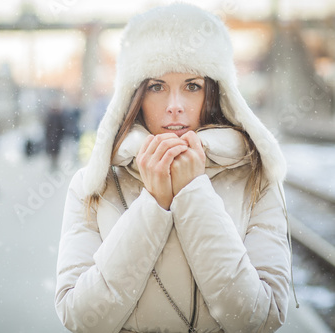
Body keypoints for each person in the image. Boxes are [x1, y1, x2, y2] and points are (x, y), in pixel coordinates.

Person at [55, 4, 293, 333]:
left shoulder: (257, 180)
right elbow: (80, 318)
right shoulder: (93, 185)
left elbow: (260, 319)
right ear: (133, 96)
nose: (175, 106)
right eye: (156, 87)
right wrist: (153, 204)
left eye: (192, 86)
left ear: (215, 94)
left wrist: (193, 193)